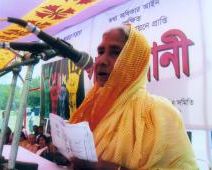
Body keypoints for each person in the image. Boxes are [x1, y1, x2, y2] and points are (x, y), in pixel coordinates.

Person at [67, 24, 198, 169]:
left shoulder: (157, 112)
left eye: (115, 52)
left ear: (135, 60)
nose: (101, 61)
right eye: (101, 51)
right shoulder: (91, 107)